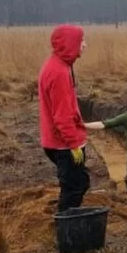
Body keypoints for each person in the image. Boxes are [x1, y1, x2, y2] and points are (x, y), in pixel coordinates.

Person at [38, 24, 89, 213]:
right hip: (64, 144)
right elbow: (62, 116)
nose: (85, 45)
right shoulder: (58, 73)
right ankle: (66, 227)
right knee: (74, 188)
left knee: (78, 182)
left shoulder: (60, 65)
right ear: (70, 43)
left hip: (60, 141)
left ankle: (67, 219)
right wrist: (74, 144)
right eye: (81, 41)